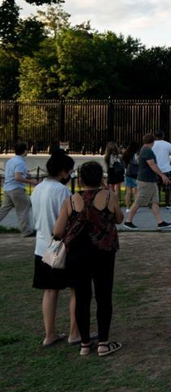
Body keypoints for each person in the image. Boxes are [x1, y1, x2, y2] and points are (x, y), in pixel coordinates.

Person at [53, 161, 124, 357]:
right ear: (101, 177)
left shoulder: (71, 200)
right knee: (104, 296)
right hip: (103, 253)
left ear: (81, 179)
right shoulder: (110, 196)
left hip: (77, 253)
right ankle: (103, 342)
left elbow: (58, 231)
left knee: (82, 297)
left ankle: (84, 343)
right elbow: (119, 219)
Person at [31, 149, 78, 347]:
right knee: (77, 289)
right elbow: (70, 219)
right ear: (62, 172)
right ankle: (74, 333)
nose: (70, 176)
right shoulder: (62, 192)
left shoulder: (38, 188)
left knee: (50, 291)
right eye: (69, 172)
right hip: (62, 247)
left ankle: (49, 334)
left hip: (42, 247)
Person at [123, 134, 171, 229]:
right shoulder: (147, 150)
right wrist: (162, 175)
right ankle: (128, 221)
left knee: (155, 201)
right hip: (146, 180)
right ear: (153, 141)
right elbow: (152, 164)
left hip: (150, 179)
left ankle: (160, 222)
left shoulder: (144, 149)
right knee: (139, 201)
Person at [0, 142, 39, 237]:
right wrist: (33, 182)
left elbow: (13, 174)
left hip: (7, 188)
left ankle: (26, 230)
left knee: (4, 209)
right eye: (27, 149)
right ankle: (27, 231)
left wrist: (25, 174)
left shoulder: (11, 160)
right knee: (23, 208)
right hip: (16, 189)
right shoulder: (20, 162)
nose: (27, 151)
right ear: (24, 151)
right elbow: (17, 177)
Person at [152, 130, 171, 205]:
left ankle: (155, 203)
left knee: (155, 187)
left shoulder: (152, 144)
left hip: (155, 169)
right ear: (163, 136)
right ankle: (167, 203)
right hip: (166, 168)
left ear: (155, 136)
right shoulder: (167, 144)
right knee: (167, 188)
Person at [121, 141, 140, 215]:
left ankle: (127, 207)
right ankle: (135, 207)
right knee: (136, 192)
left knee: (128, 192)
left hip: (128, 174)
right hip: (135, 175)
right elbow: (137, 163)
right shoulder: (135, 154)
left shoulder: (126, 154)